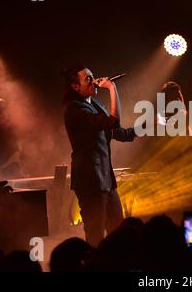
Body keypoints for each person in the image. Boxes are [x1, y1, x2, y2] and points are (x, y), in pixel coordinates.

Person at [62, 63, 136, 246]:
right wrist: (112, 88)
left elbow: (119, 132)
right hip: (89, 180)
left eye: (93, 76)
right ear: (75, 86)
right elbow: (112, 121)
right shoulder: (74, 109)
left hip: (106, 179)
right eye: (88, 79)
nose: (94, 81)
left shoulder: (95, 103)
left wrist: (149, 125)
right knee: (96, 235)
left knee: (118, 230)